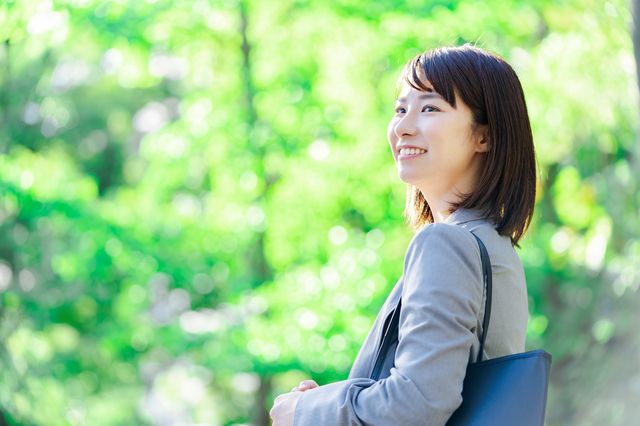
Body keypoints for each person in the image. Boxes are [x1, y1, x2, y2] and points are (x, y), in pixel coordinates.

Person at [270, 43, 536, 425]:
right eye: (400, 109)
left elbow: (416, 404)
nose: (403, 127)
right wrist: (331, 403)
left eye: (429, 108)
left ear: (485, 137)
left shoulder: (448, 243)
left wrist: (306, 412)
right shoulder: (494, 245)